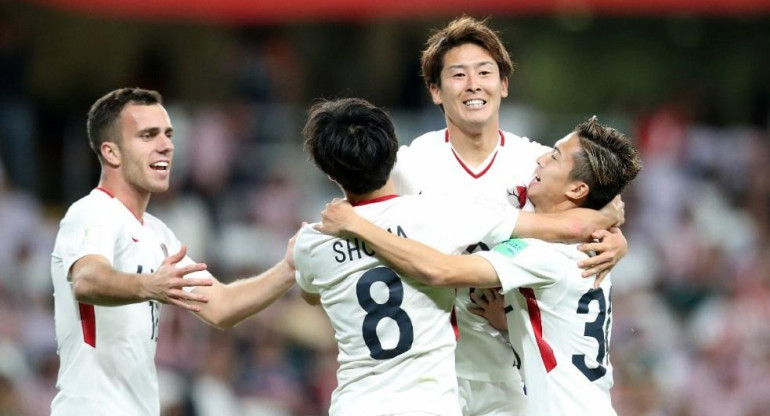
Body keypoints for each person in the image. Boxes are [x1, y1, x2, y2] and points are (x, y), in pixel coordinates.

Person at [294, 98, 623, 416]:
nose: (539, 160)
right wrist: (611, 221)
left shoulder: (311, 243)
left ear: (330, 175)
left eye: (553, 156)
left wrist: (358, 227)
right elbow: (571, 229)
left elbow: (311, 294)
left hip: (354, 405)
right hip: (432, 403)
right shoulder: (440, 213)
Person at [389, 16, 628, 415]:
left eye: (485, 72)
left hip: (514, 377)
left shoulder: (534, 163)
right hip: (432, 371)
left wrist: (616, 236)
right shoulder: (410, 166)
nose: (473, 85)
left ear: (503, 85)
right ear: (434, 90)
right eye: (457, 75)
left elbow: (602, 201)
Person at [50, 88, 297, 416]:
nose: (166, 145)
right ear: (111, 153)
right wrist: (150, 285)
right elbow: (86, 279)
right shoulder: (93, 212)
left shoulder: (158, 234)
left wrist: (290, 268)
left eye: (168, 134)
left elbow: (221, 307)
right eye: (148, 135)